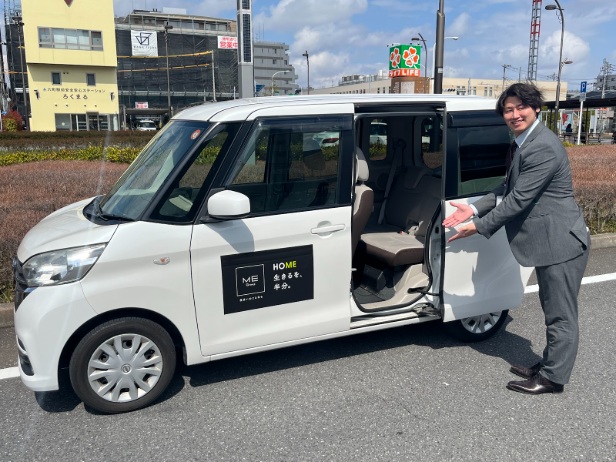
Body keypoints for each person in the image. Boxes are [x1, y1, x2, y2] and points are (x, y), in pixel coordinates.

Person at [442, 83, 590, 395]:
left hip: (561, 241)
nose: (514, 114)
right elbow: (506, 188)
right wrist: (472, 207)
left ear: (536, 108)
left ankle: (553, 378)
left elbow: (518, 199)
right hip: (550, 239)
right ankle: (549, 364)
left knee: (560, 315)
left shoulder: (542, 146)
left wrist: (478, 226)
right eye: (508, 110)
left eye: (520, 107)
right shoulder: (525, 141)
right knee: (552, 308)